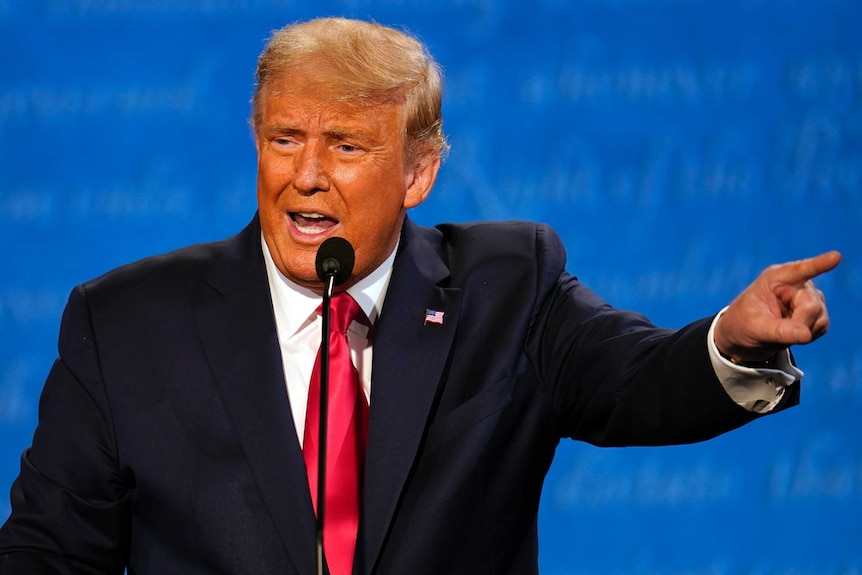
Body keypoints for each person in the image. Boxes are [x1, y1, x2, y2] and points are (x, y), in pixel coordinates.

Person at [0, 17, 839, 575]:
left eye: (346, 145)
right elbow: (48, 552)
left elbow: (638, 382)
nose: (306, 175)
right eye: (284, 138)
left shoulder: (508, 290)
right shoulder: (127, 323)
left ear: (419, 172)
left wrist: (735, 338)